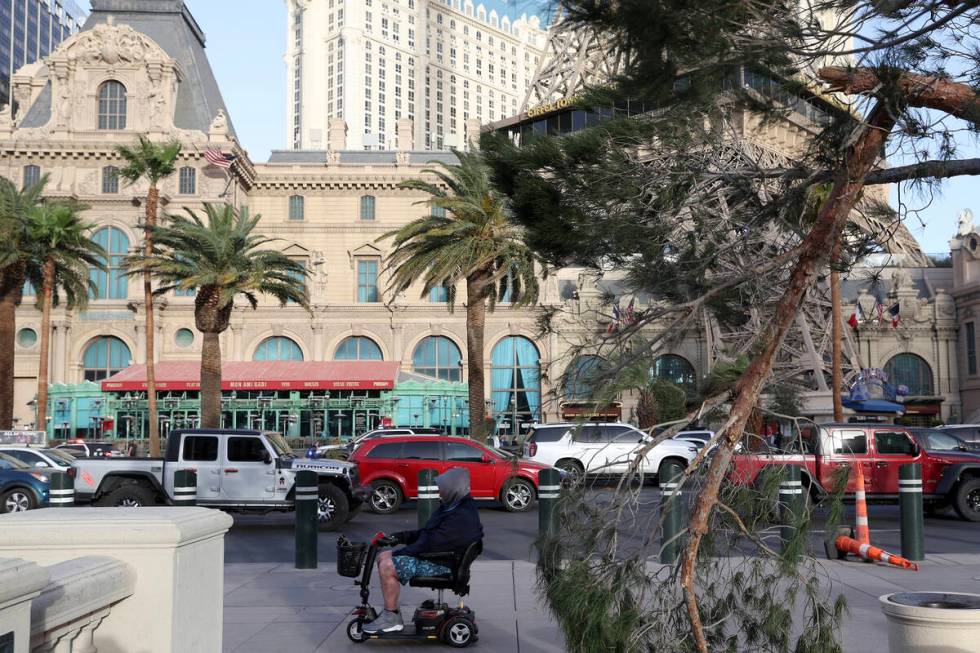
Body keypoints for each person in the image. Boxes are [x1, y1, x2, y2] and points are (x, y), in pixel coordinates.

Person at [362, 467, 484, 634]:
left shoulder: (461, 516)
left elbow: (429, 544)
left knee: (387, 566)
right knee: (383, 555)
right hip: (440, 557)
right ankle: (390, 614)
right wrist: (399, 537)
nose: (440, 493)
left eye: (443, 489)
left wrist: (399, 553)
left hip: (443, 564)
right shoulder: (454, 506)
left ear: (453, 488)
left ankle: (391, 619)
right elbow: (427, 534)